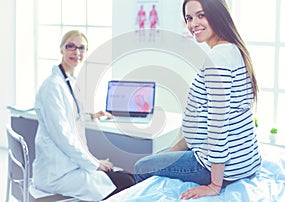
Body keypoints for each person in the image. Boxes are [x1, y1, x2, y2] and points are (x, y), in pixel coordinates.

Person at [134, 0, 262, 200]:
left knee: (141, 167)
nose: (193, 23)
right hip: (245, 161)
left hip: (223, 169)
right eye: (189, 18)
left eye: (201, 15)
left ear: (218, 15)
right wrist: (173, 149)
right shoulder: (233, 50)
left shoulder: (217, 58)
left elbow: (218, 125)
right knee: (158, 155)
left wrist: (214, 185)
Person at [33, 30, 135, 201]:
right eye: (71, 46)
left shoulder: (68, 82)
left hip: (69, 165)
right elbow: (63, 135)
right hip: (58, 172)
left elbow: (69, 117)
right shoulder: (52, 87)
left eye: (82, 48)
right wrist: (94, 163)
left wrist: (91, 116)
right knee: (126, 182)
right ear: (61, 49)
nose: (76, 52)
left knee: (127, 177)